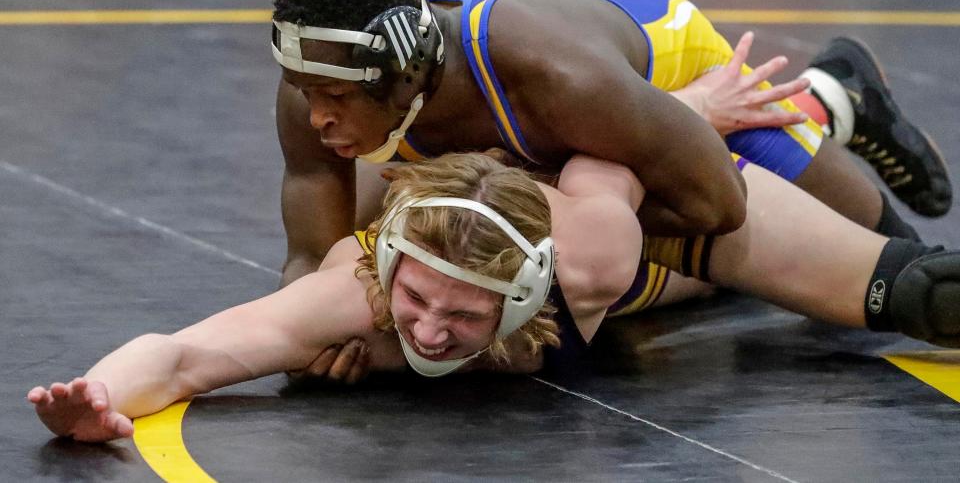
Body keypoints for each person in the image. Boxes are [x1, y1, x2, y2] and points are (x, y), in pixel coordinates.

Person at [28, 152, 960, 442]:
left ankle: (831, 100)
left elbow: (639, 144)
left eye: (465, 316)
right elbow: (185, 351)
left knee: (919, 284)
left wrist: (697, 119)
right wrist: (97, 398)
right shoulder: (365, 287)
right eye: (418, 300)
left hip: (676, 213)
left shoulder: (591, 252)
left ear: (525, 293)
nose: (430, 330)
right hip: (539, 205)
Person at [271, 0, 952, 290]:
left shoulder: (555, 76)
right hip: (573, 121)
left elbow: (719, 205)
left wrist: (519, 192)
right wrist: (321, 330)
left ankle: (833, 99)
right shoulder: (321, 72)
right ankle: (830, 94)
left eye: (334, 99)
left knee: (885, 247)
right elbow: (310, 257)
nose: (315, 119)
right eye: (307, 92)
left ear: (402, 72)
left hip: (669, 65)